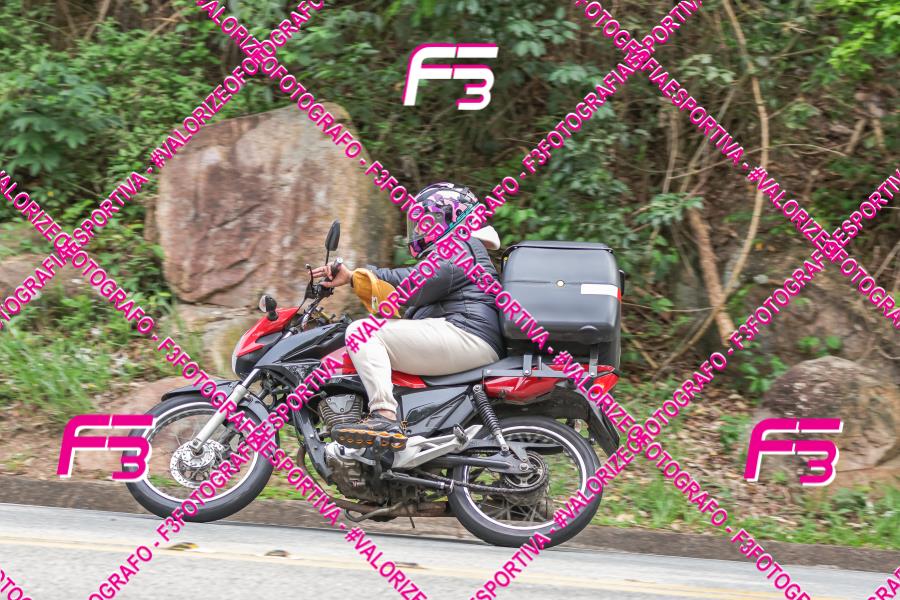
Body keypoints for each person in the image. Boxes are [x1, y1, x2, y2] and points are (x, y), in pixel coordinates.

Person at [310, 182, 504, 450]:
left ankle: (384, 416)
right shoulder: (461, 249)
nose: (420, 230)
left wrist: (356, 277)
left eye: (428, 221)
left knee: (362, 333)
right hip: (466, 334)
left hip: (468, 333)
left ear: (453, 217)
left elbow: (416, 284)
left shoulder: (462, 246)